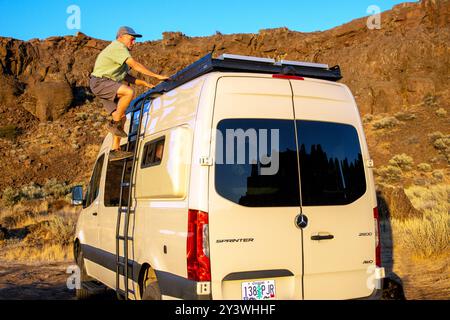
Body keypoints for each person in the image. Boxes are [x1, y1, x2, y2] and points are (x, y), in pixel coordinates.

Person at [90, 26, 169, 161]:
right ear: (121, 37)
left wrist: (145, 83)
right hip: (100, 82)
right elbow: (135, 65)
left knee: (121, 117)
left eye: (134, 40)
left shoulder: (119, 54)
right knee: (128, 92)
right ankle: (114, 125)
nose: (134, 42)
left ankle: (115, 150)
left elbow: (127, 77)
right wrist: (157, 76)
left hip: (105, 83)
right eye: (131, 39)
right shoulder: (118, 47)